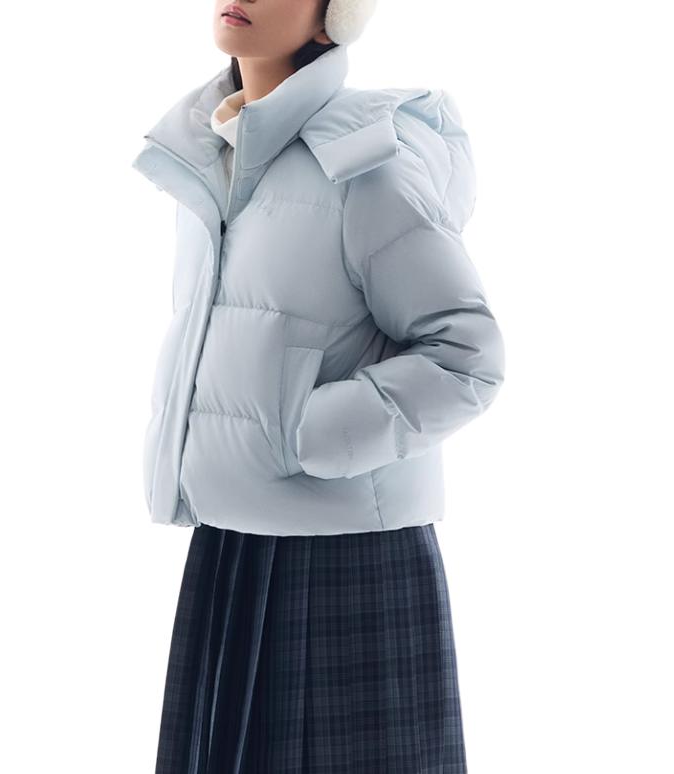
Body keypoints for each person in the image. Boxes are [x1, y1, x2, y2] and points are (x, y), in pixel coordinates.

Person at [132, 0, 505, 771]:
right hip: (231, 549)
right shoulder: (206, 161)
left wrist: (311, 437)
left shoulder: (365, 166)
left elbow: (468, 354)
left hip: (347, 564)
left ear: (335, 16)